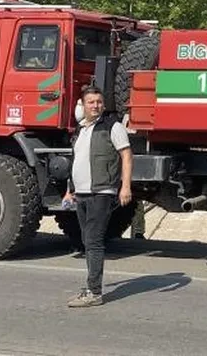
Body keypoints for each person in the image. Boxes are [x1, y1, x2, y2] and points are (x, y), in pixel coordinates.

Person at [64, 85, 133, 307]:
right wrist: (70, 189)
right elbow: (76, 161)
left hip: (101, 193)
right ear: (83, 105)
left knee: (93, 242)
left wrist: (125, 187)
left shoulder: (112, 127)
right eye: (91, 102)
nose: (96, 106)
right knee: (87, 241)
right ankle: (92, 287)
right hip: (82, 193)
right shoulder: (81, 129)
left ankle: (94, 292)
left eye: (99, 102)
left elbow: (126, 156)